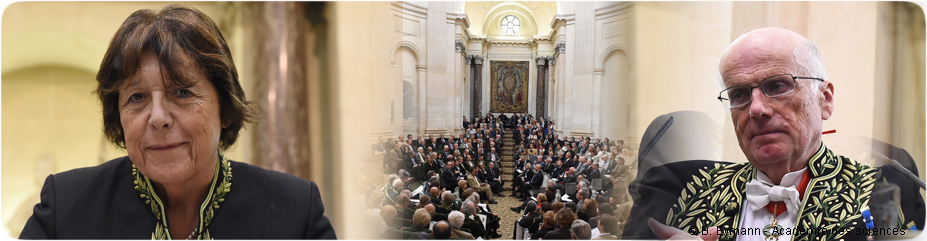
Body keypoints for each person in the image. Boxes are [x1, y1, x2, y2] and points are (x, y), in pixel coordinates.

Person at [18, 5, 336, 241]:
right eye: (137, 97)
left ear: (225, 107)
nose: (158, 118)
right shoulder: (67, 207)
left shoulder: (294, 212)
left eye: (182, 92)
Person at [626, 27, 926, 241]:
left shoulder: (886, 188)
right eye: (739, 94)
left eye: (778, 86)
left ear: (825, 99)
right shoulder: (675, 187)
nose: (757, 108)